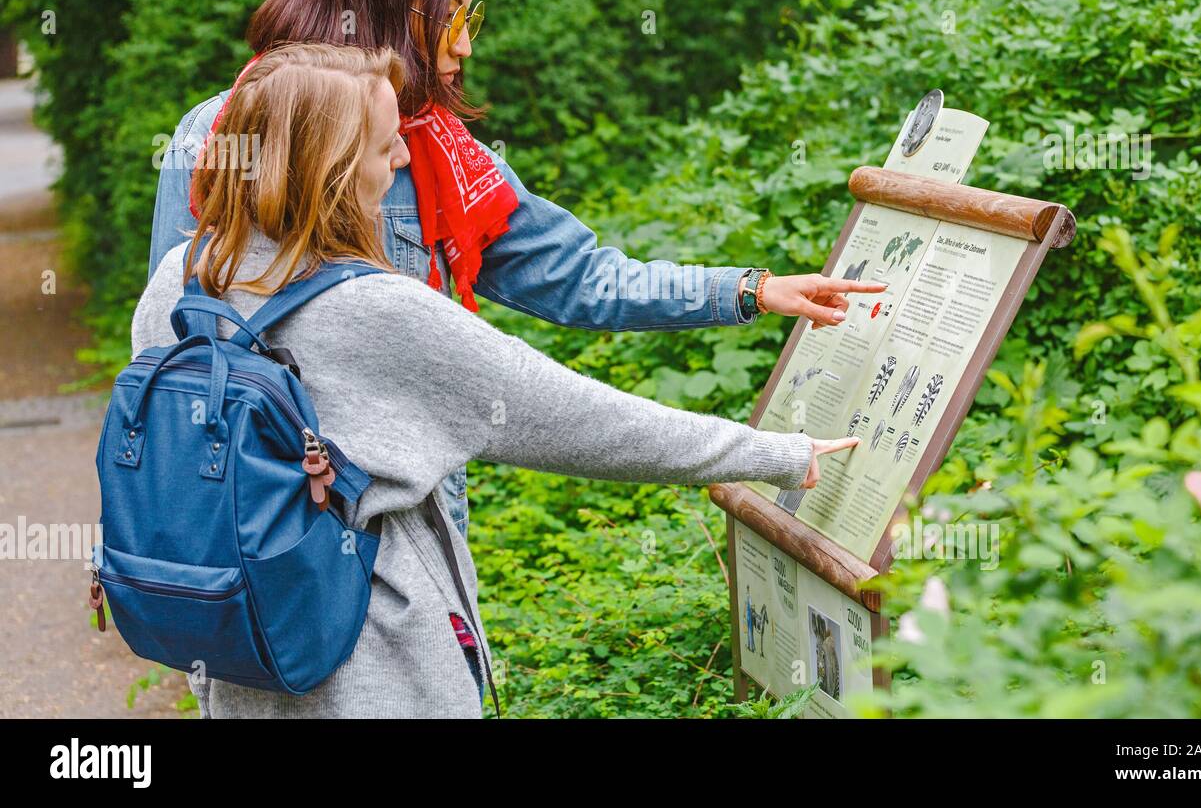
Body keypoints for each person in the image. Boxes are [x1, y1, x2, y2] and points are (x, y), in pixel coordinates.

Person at [133, 43, 858, 717]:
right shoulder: (376, 310)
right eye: (387, 148)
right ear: (335, 169)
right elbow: (587, 424)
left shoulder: (179, 283)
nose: (397, 166)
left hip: (242, 658)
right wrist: (779, 454)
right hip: (375, 668)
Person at [147, 0, 885, 542]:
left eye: (474, 16)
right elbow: (169, 358)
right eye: (451, 17)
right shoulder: (214, 138)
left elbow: (579, 278)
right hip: (252, 543)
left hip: (407, 551)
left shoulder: (444, 159)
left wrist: (749, 290)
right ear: (379, 9)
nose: (465, 43)